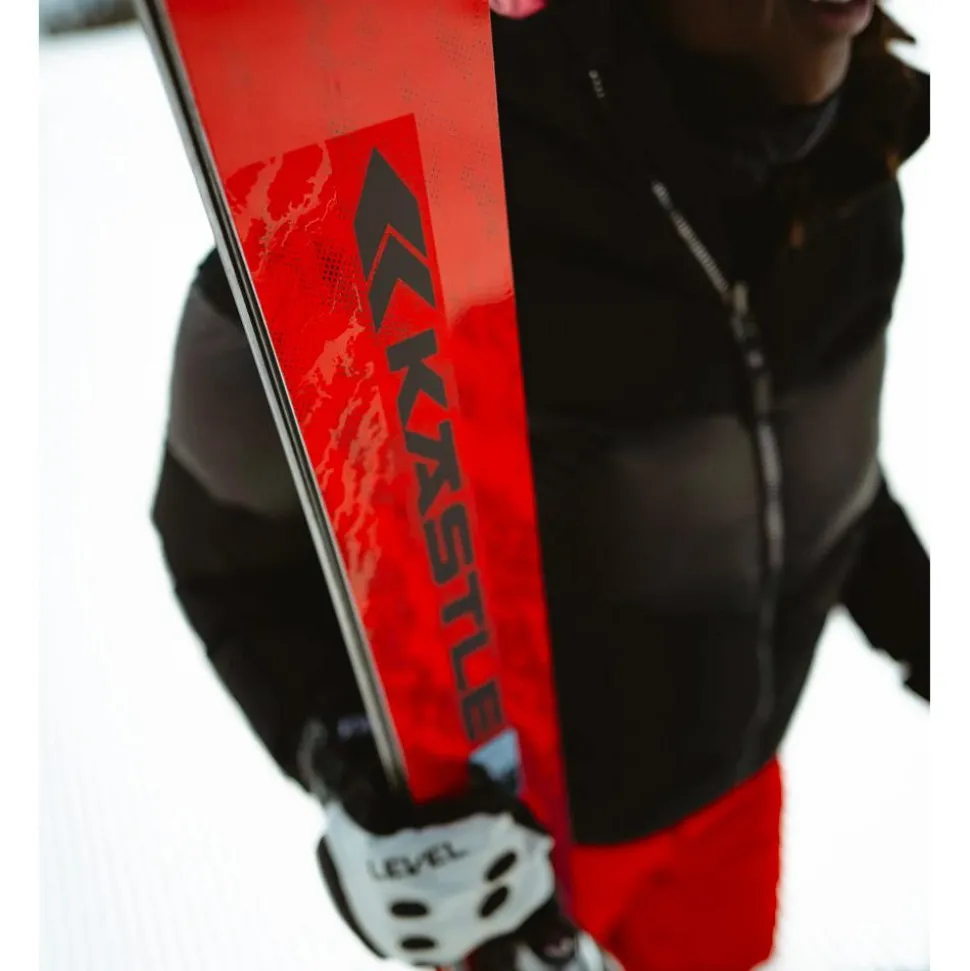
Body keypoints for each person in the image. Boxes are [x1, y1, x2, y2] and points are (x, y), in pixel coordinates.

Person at [152, 1, 930, 969]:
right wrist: (346, 751)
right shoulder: (435, 177)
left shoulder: (858, 145)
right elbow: (225, 550)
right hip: (540, 853)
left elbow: (799, 457)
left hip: (737, 795)